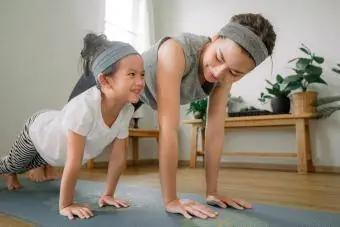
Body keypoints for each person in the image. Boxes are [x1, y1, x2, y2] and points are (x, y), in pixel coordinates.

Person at [32, 13, 277, 220]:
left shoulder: (223, 77)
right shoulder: (176, 51)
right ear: (214, 39)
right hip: (111, 85)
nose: (219, 73)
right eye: (219, 58)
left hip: (137, 97)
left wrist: (212, 192)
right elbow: (168, 129)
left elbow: (214, 130)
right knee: (64, 133)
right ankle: (37, 162)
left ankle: (46, 168)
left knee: (85, 144)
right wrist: (170, 199)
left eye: (235, 72)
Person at [0, 33, 145, 220]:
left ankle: (13, 173)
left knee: (22, 166)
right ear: (105, 80)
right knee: (12, 164)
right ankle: (10, 171)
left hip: (52, 151)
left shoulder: (126, 111)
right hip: (37, 133)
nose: (140, 82)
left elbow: (118, 158)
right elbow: (73, 160)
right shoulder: (84, 107)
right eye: (132, 74)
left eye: (142, 74)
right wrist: (66, 204)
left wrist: (108, 194)